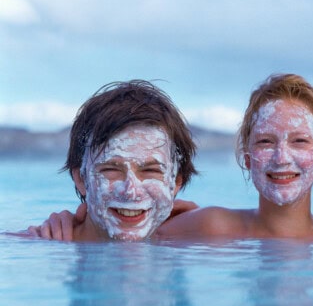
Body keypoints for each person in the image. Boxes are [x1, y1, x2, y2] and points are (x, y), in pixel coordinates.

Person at [156, 73, 313, 242]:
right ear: (248, 157)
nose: (281, 158)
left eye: (299, 141)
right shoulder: (209, 227)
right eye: (266, 142)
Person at [28, 80, 198, 242]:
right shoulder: (38, 245)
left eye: (150, 171)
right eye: (111, 170)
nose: (131, 191)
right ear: (81, 178)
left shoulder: (208, 235)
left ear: (176, 182)